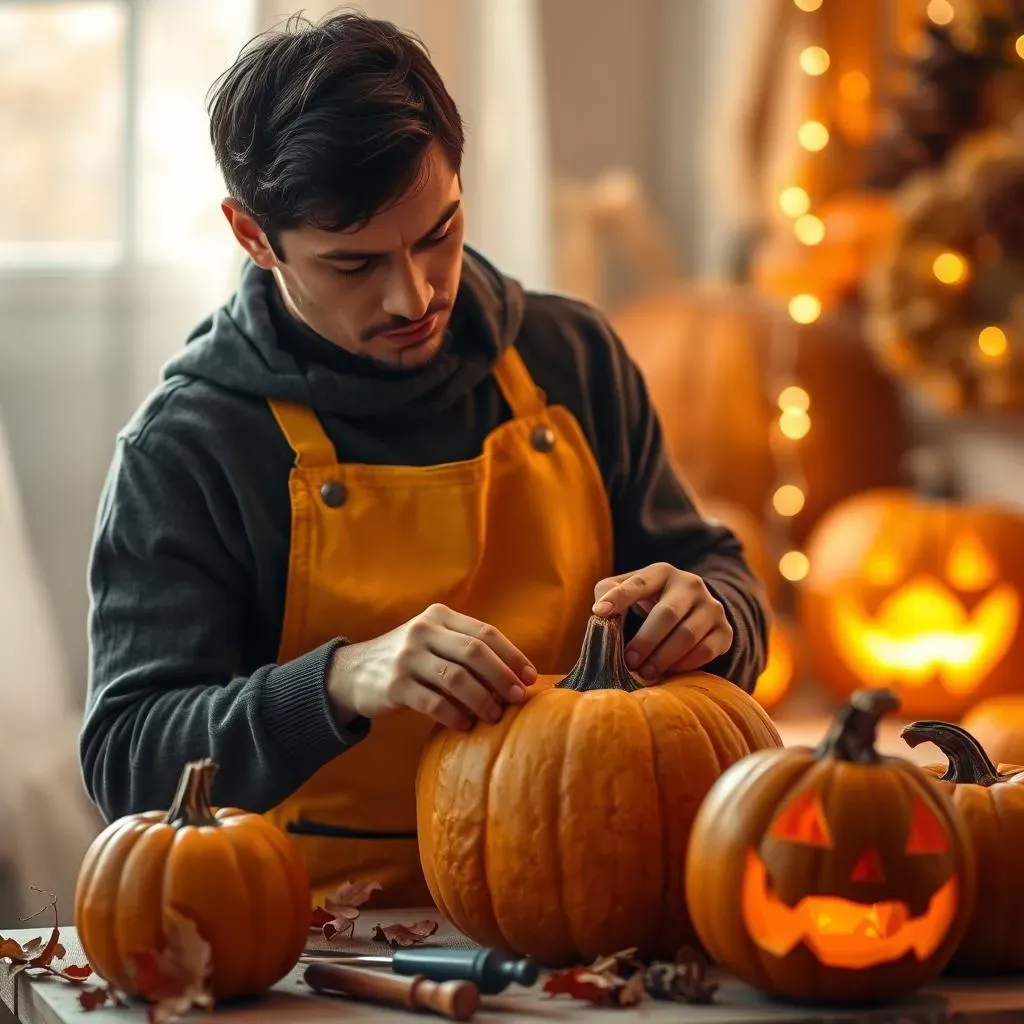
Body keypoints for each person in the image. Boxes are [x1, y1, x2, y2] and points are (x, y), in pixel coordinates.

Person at [80, 9, 770, 908]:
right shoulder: (189, 447)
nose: (414, 295)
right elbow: (128, 762)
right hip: (309, 945)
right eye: (353, 265)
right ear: (252, 236)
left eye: (437, 233)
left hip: (588, 911)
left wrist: (714, 610)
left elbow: (723, 574)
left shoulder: (573, 360)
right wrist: (338, 681)